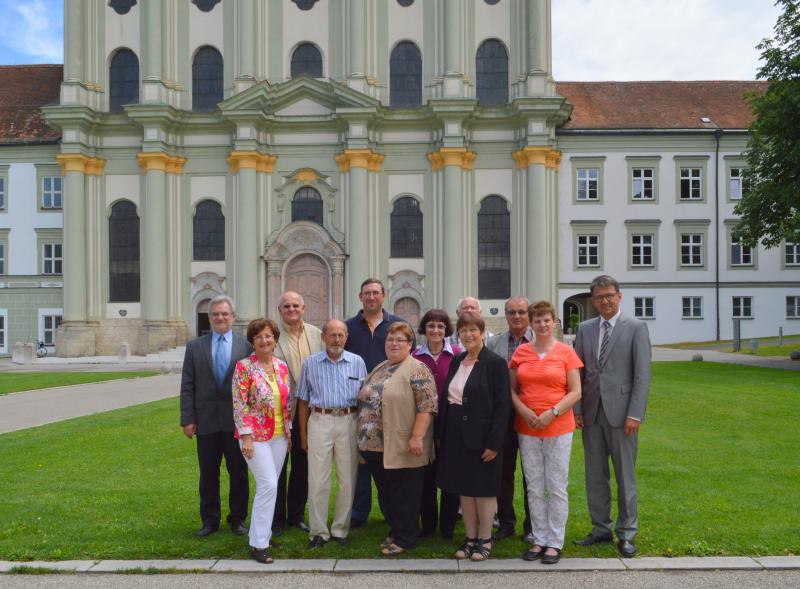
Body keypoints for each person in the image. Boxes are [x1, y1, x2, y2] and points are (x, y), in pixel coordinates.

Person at [573, 275, 651, 558]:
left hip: (623, 416)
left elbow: (642, 376)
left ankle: (627, 533)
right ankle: (600, 528)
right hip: (591, 414)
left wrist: (635, 414)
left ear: (619, 296)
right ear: (593, 300)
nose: (604, 301)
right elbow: (578, 373)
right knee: (595, 475)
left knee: (625, 476)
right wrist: (578, 410)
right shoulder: (584, 328)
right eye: (599, 297)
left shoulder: (636, 328)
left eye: (609, 296)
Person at [510, 301, 583, 564]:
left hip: (559, 427)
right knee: (534, 486)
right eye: (537, 320)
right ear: (531, 323)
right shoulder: (521, 353)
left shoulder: (566, 353)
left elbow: (576, 391)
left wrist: (552, 412)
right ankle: (538, 538)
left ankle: (555, 541)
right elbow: (512, 390)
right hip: (527, 427)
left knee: (556, 485)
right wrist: (525, 412)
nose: (542, 324)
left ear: (554, 323)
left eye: (546, 320)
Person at [357, 322, 437, 556]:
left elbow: (427, 406)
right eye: (390, 339)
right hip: (375, 447)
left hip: (402, 445)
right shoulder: (382, 366)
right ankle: (397, 529)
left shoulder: (417, 369)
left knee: (405, 495)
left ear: (410, 345)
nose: (393, 344)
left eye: (400, 340)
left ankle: (406, 538)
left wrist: (417, 437)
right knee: (388, 494)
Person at [437, 313, 510, 562]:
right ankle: (469, 538)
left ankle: (485, 538)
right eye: (463, 331)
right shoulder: (457, 360)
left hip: (483, 436)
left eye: (473, 330)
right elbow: (449, 398)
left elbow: (503, 406)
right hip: (456, 434)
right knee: (464, 490)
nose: (468, 335)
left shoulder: (495, 363)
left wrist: (494, 443)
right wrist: (442, 435)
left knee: (484, 489)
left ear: (482, 332)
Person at [180, 295, 251, 538]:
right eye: (215, 314)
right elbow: (187, 385)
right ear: (210, 318)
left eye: (224, 314)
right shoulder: (195, 346)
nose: (220, 318)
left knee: (239, 473)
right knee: (208, 473)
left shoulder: (246, 346)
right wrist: (187, 419)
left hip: (236, 422)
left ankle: (238, 519)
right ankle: (209, 521)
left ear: (233, 317)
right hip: (206, 420)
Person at [296, 319, 367, 548]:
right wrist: (304, 436)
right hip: (320, 420)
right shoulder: (310, 363)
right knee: (318, 479)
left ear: (346, 337)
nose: (337, 339)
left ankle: (340, 529)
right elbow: (303, 401)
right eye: (332, 335)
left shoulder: (357, 362)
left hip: (349, 420)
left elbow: (365, 400)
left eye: (341, 335)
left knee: (347, 479)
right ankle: (318, 532)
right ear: (323, 337)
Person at [345, 278, 410, 527]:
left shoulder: (398, 326)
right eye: (367, 293)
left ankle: (390, 510)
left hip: (392, 403)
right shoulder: (350, 327)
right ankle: (358, 513)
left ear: (384, 296)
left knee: (389, 461)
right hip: (359, 405)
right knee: (361, 461)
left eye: (376, 293)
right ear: (360, 297)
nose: (371, 297)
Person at [231, 318, 293, 564]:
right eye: (259, 337)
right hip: (254, 437)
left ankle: (263, 534)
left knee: (271, 486)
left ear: (275, 339)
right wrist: (245, 436)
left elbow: (286, 403)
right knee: (268, 484)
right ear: (252, 341)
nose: (264, 340)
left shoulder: (281, 367)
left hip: (279, 435)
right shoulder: (244, 367)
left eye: (268, 336)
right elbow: (239, 403)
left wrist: (288, 433)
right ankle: (258, 544)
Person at [271, 291, 324, 536]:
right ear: (280, 310)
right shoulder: (272, 336)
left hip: (309, 412)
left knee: (302, 467)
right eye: (286, 306)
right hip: (279, 412)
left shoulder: (316, 334)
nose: (291, 309)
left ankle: (296, 515)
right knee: (278, 467)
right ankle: (277, 517)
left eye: (296, 306)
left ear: (303, 308)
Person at [485, 296, 534, 543]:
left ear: (529, 314)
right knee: (504, 472)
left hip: (532, 415)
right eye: (512, 312)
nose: (517, 317)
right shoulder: (495, 343)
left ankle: (532, 525)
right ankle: (506, 523)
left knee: (532, 473)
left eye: (521, 312)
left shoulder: (540, 342)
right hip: (503, 416)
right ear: (506, 314)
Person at [412, 308, 461, 539]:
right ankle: (428, 524)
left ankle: (449, 525)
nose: (435, 330)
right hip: (423, 424)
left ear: (446, 330)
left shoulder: (458, 355)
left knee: (451, 475)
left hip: (450, 424)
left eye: (440, 326)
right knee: (426, 478)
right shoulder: (414, 357)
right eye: (431, 325)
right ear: (424, 329)